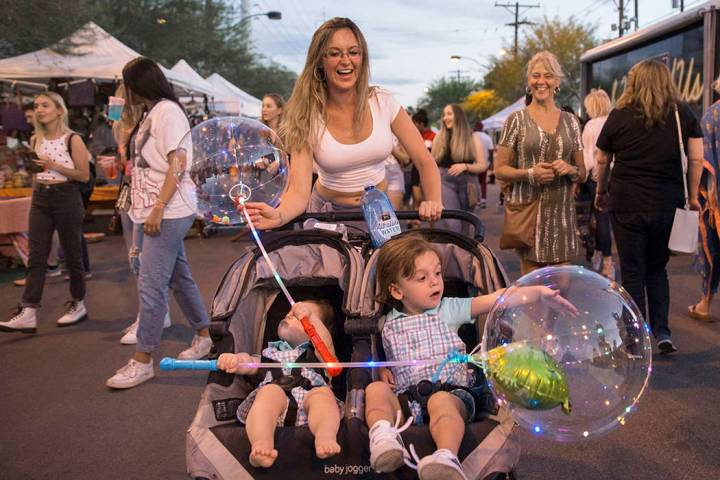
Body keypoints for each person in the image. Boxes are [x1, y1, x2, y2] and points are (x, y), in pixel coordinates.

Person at [365, 234, 577, 479]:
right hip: (406, 399)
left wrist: (537, 292)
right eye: (422, 278)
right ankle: (383, 438)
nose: (435, 283)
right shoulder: (385, 324)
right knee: (375, 390)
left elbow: (494, 299)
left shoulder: (449, 310)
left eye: (437, 274)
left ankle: (446, 457)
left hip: (452, 394)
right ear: (396, 291)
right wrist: (383, 368)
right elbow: (383, 356)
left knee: (440, 403)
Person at [241, 18, 443, 230]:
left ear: (362, 57)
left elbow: (424, 161)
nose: (345, 60)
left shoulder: (383, 101)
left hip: (379, 212)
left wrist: (433, 200)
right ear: (320, 60)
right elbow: (299, 193)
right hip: (328, 216)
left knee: (387, 263)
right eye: (335, 53)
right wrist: (279, 216)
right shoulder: (306, 115)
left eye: (353, 52)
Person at [106, 57, 211, 389]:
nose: (124, 91)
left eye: (126, 84)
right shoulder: (152, 112)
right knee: (178, 277)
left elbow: (177, 164)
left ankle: (143, 360)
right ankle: (205, 334)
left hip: (165, 210)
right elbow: (125, 144)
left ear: (138, 84)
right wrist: (118, 110)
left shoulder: (167, 112)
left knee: (151, 285)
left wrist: (158, 207)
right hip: (153, 207)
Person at [594, 59, 703, 354]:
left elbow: (603, 159)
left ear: (635, 82)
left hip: (626, 202)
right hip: (666, 203)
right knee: (657, 269)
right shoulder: (682, 114)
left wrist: (602, 189)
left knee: (632, 271)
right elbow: (695, 159)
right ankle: (662, 333)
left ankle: (634, 339)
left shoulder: (619, 115)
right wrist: (692, 196)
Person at [0, 92, 91, 333]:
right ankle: (28, 310)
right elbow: (35, 173)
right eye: (37, 106)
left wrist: (54, 166)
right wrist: (34, 196)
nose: (39, 110)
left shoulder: (73, 139)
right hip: (41, 197)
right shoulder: (34, 140)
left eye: (45, 105)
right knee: (36, 255)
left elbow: (84, 175)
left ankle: (78, 303)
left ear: (59, 111)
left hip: (66, 196)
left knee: (72, 255)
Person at [216, 300, 343, 468]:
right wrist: (235, 360)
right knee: (267, 393)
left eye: (298, 315)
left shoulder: (320, 354)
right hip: (276, 402)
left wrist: (311, 318)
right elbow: (249, 363)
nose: (290, 314)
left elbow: (324, 341)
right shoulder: (270, 352)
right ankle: (261, 444)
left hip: (311, 400)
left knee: (323, 396)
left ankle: (325, 436)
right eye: (290, 311)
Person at [495, 51, 586, 275]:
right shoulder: (515, 120)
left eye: (548, 76)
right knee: (534, 293)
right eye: (535, 76)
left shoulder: (572, 122)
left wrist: (570, 169)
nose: (541, 81)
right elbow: (499, 169)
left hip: (561, 216)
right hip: (529, 217)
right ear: (529, 81)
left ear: (557, 82)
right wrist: (529, 174)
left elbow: (583, 173)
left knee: (561, 291)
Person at [689, 74, 720, 322]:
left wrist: (703, 197)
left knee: (713, 250)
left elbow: (704, 161)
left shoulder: (712, 115)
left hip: (716, 202)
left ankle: (705, 303)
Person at [431, 104, 487, 233]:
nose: (445, 118)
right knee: (452, 224)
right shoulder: (439, 138)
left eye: (449, 114)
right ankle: (451, 251)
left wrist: (465, 166)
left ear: (459, 116)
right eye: (444, 115)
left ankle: (462, 253)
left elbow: (482, 165)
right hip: (445, 182)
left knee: (466, 225)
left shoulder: (472, 137)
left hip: (468, 184)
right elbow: (431, 163)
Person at [581, 89, 615, 279]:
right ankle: (602, 255)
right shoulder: (613, 122)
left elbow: (587, 158)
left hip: (595, 178)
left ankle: (606, 260)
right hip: (615, 177)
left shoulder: (591, 126)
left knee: (599, 219)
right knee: (605, 220)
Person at [473, 121, 494, 209]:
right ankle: (483, 200)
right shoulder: (487, 138)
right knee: (483, 182)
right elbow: (491, 151)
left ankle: (477, 201)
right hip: (484, 164)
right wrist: (491, 162)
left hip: (473, 164)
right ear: (482, 128)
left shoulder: (472, 136)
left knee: (475, 182)